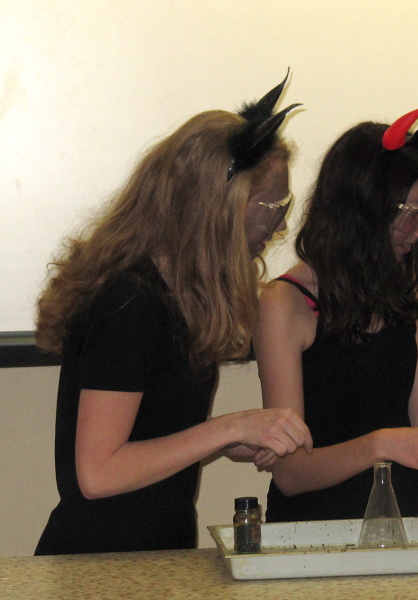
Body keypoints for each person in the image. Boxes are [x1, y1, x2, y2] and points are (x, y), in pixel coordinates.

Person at [34, 73, 313, 555]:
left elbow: (151, 433)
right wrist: (229, 427)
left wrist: (227, 439)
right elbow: (98, 474)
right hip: (99, 566)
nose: (282, 222)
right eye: (271, 205)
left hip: (152, 557)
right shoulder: (129, 302)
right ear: (217, 207)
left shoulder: (176, 297)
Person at [253, 107, 418, 522]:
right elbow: (291, 473)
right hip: (314, 536)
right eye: (413, 212)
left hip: (404, 523)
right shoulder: (284, 303)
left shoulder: (403, 292)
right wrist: (383, 444)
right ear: (361, 208)